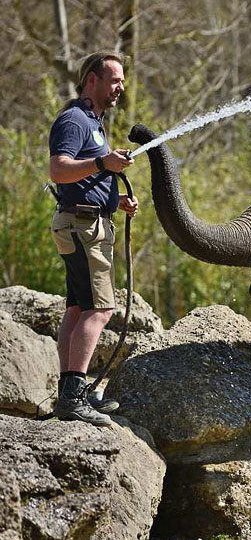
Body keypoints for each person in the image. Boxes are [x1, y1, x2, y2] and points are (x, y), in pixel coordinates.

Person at [48, 50, 139, 426]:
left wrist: (113, 200)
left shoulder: (93, 123)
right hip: (84, 229)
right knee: (100, 310)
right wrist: (104, 163)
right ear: (92, 81)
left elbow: (79, 179)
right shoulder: (75, 120)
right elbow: (59, 169)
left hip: (83, 221)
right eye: (114, 80)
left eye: (121, 81)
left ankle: (70, 393)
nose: (120, 87)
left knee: (77, 308)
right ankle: (73, 396)